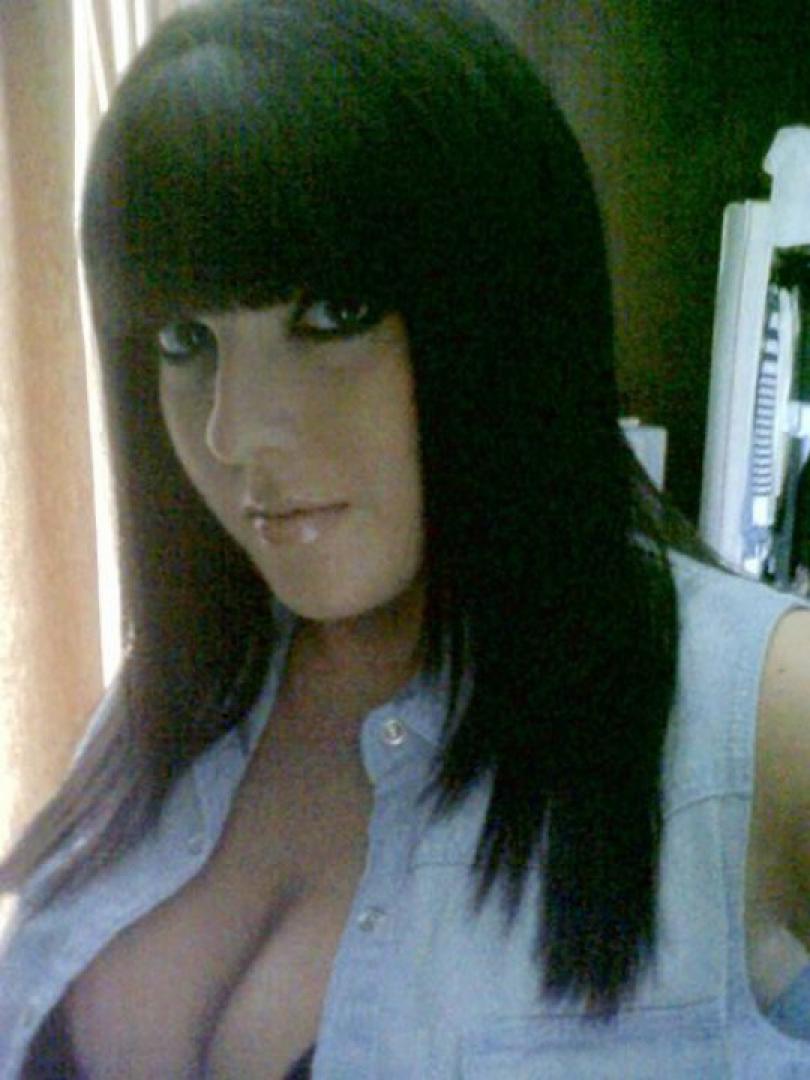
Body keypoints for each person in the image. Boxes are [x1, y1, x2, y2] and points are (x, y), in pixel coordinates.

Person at [1, 0, 809, 1075]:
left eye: (333, 314)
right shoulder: (175, 701)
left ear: (505, 310)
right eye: (187, 338)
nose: (234, 432)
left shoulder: (758, 715)